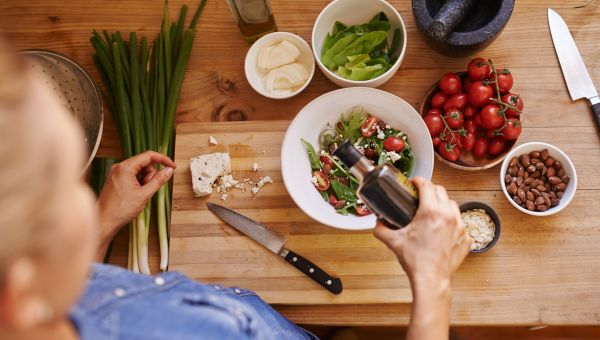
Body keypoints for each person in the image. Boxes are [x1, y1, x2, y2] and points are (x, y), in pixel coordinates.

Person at [0, 39, 471, 340]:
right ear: (19, 291)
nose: (88, 195)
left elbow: (79, 289)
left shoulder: (45, 309)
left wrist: (103, 225)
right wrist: (433, 282)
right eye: (68, 192)